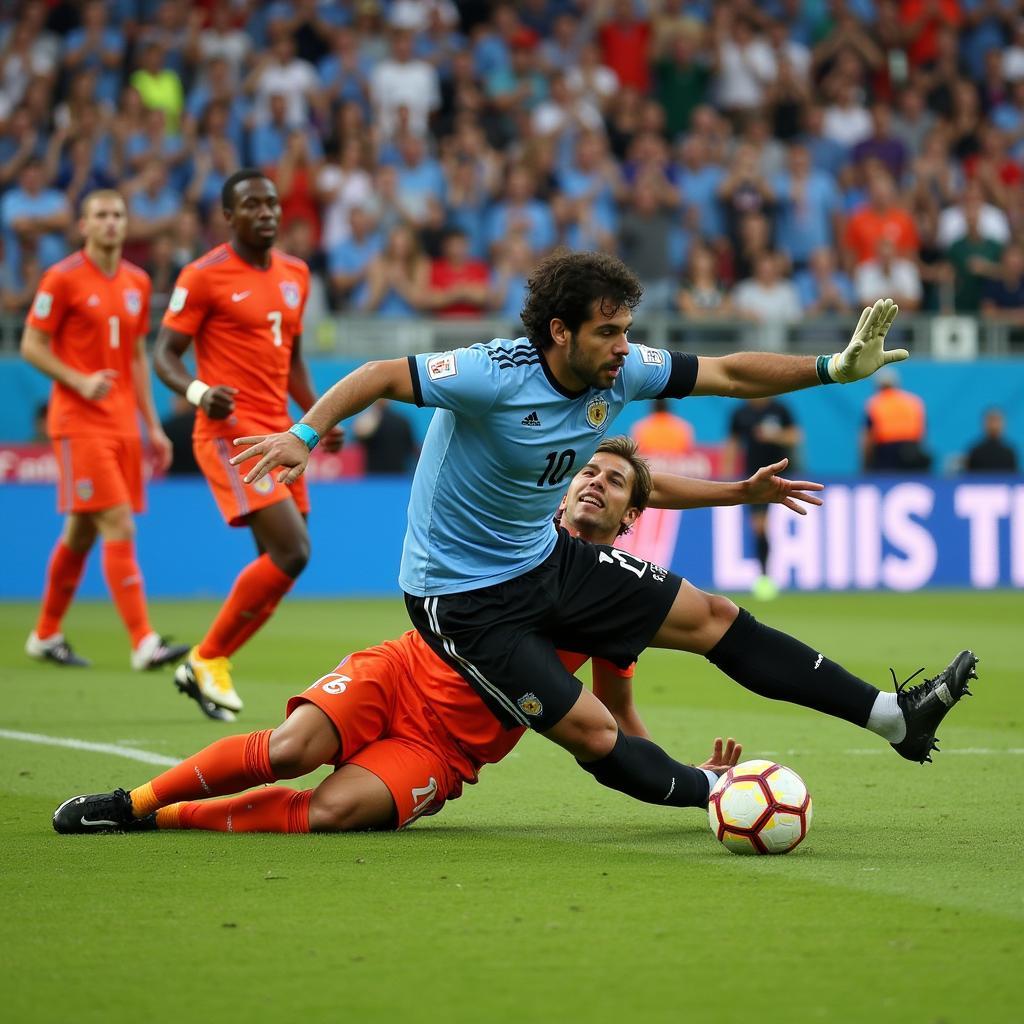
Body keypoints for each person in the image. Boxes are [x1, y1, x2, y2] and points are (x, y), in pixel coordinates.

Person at [233, 251, 976, 815]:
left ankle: (893, 718)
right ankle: (710, 790)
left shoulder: (620, 372)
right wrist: (306, 431)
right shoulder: (493, 373)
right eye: (608, 332)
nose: (625, 347)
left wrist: (831, 367)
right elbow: (380, 374)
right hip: (459, 596)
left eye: (626, 331)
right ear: (561, 332)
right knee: (593, 734)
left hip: (544, 557)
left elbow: (726, 373)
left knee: (714, 617)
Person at [53, 435, 827, 834]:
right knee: (293, 750)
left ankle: (173, 820)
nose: (592, 480)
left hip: (446, 748)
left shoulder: (620, 609)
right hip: (400, 671)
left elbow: (619, 723)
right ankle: (131, 803)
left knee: (333, 813)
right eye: (585, 471)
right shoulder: (516, 537)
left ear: (631, 520)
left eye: (614, 481)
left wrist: (694, 780)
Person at [154, 169, 343, 718]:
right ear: (228, 216)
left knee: (283, 561)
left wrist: (317, 418)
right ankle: (207, 657)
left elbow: (293, 360)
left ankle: (207, 663)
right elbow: (163, 353)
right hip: (231, 434)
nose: (266, 213)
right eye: (252, 205)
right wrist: (196, 390)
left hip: (282, 435)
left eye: (272, 204)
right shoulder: (204, 274)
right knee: (293, 551)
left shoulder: (296, 274)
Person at [20, 189, 188, 670]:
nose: (111, 222)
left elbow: (136, 356)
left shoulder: (136, 282)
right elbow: (32, 344)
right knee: (118, 523)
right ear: (84, 226)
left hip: (121, 423)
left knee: (80, 532)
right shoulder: (63, 278)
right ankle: (143, 641)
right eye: (101, 215)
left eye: (118, 214)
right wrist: (78, 380)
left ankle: (46, 633)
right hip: (78, 422)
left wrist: (152, 425)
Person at [722, 397, 800, 601]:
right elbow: (733, 444)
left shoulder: (780, 409)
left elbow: (795, 437)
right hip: (755, 479)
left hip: (784, 478)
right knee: (759, 527)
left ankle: (777, 573)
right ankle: (765, 576)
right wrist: (726, 475)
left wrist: (774, 436)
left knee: (783, 527)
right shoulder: (741, 413)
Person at [861, 369, 930, 472]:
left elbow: (868, 438)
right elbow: (923, 430)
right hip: (912, 449)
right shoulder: (913, 401)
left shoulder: (875, 403)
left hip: (886, 451)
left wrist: (866, 462)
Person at [353, 399, 417, 475]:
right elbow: (411, 448)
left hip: (380, 476)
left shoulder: (402, 421)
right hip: (391, 476)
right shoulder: (402, 421)